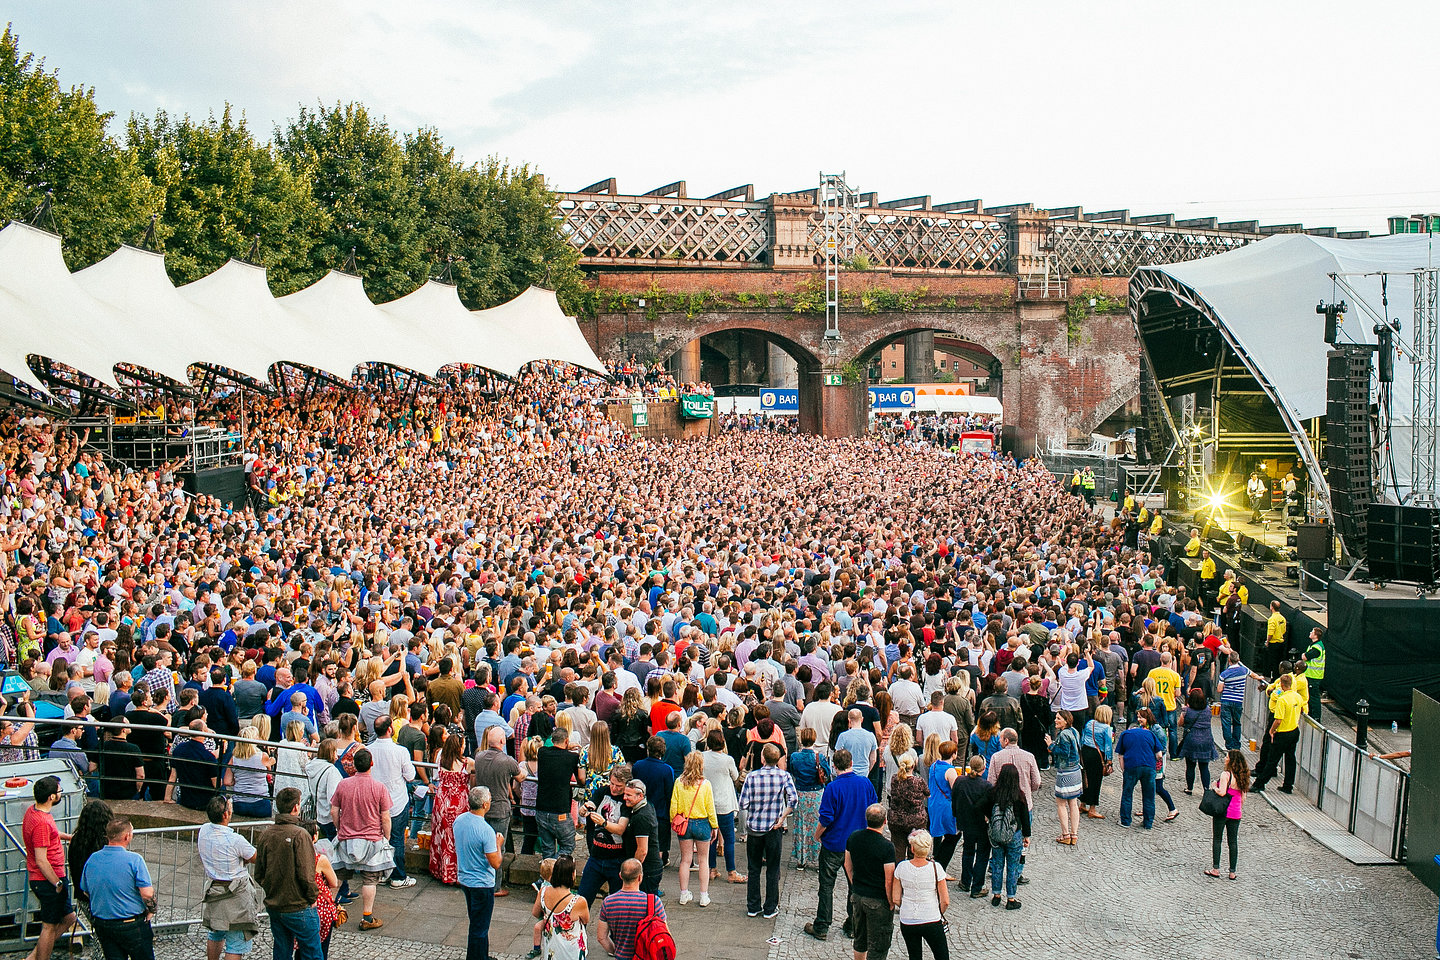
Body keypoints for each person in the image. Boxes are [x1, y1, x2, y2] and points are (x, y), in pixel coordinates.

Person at [804, 747, 873, 941]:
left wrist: (816, 836)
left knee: (826, 885)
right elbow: (874, 810)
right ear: (852, 764)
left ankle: (822, 925)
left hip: (834, 844)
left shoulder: (833, 788)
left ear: (834, 767)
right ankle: (853, 924)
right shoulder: (865, 783)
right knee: (855, 885)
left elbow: (826, 819)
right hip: (858, 844)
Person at [254, 787, 323, 960]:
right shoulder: (300, 835)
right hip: (298, 905)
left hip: (275, 904)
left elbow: (259, 873)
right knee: (312, 953)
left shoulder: (266, 834)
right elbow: (306, 875)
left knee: (281, 951)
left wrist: (272, 887)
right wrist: (312, 897)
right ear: (296, 808)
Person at [328, 747, 393, 931]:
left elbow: (334, 810)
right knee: (370, 880)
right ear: (371, 764)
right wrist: (386, 837)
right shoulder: (379, 787)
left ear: (354, 765)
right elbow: (385, 817)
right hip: (372, 840)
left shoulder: (343, 785)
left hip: (346, 838)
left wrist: (340, 828)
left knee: (338, 876)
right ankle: (367, 917)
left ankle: (330, 911)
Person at [78, 817, 155, 960]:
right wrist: (151, 910)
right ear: (127, 836)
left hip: (104, 924)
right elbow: (147, 893)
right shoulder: (134, 860)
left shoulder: (93, 859)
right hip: (131, 923)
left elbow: (86, 890)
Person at [738, 742, 797, 921]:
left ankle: (753, 906)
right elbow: (793, 800)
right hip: (774, 827)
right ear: (778, 759)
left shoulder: (752, 777)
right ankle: (770, 907)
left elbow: (743, 804)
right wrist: (782, 817)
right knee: (773, 869)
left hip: (755, 828)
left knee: (753, 869)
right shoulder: (784, 776)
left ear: (763, 758)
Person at [198, 796, 261, 960]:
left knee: (216, 933)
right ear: (226, 815)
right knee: (235, 942)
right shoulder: (236, 840)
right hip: (236, 895)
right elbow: (255, 857)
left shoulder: (204, 830)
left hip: (215, 890)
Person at [22, 775, 76, 960]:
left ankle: (34, 956)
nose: (61, 793)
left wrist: (68, 837)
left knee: (69, 918)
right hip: (48, 880)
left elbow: (51, 834)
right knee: (49, 926)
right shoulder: (42, 823)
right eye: (59, 791)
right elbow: (41, 860)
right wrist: (57, 883)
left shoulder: (34, 811)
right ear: (51, 797)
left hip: (48, 878)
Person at [367, 716, 417, 889]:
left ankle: (380, 873)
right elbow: (410, 776)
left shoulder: (368, 750)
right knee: (396, 839)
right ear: (390, 729)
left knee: (378, 837)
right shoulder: (400, 751)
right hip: (396, 801)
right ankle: (397, 876)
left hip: (374, 802)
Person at [455, 786, 503, 960]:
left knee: (477, 922)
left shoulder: (459, 820)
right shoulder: (486, 831)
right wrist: (498, 844)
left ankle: (482, 955)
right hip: (482, 884)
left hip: (465, 879)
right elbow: (496, 862)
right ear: (484, 804)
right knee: (479, 928)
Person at [846, 803, 896, 960]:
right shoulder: (887, 847)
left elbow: (848, 865)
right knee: (878, 946)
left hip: (858, 895)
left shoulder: (854, 837)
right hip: (878, 900)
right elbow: (889, 880)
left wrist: (855, 885)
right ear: (885, 821)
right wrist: (891, 901)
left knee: (860, 940)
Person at [890, 829, 948, 960]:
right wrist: (938, 913)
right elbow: (945, 901)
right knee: (942, 955)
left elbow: (896, 898)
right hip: (931, 918)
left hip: (908, 919)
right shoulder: (936, 868)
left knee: (914, 956)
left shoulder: (901, 867)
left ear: (912, 849)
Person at [577, 765, 631, 903]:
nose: (614, 788)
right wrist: (584, 809)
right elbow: (592, 804)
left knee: (616, 905)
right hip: (596, 856)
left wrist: (604, 823)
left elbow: (620, 829)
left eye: (619, 786)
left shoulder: (626, 801)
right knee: (582, 899)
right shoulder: (602, 792)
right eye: (612, 783)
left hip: (617, 860)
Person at [670, 751, 717, 906]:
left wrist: (674, 822)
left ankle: (684, 894)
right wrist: (714, 825)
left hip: (685, 822)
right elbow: (710, 808)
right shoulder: (706, 784)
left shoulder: (678, 782)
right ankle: (704, 896)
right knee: (704, 861)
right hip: (703, 823)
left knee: (685, 860)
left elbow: (673, 806)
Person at [429, 732, 475, 885]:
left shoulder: (442, 760)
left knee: (442, 836)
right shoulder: (467, 763)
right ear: (458, 747)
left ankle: (441, 870)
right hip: (458, 803)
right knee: (457, 839)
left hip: (442, 801)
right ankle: (456, 874)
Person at [596, 859, 664, 960]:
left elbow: (601, 937)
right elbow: (664, 932)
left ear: (620, 876)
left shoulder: (608, 902)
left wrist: (615, 951)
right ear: (640, 877)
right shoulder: (654, 902)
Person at [701, 729, 744, 883]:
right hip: (725, 803)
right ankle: (731, 872)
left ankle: (712, 869)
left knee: (710, 838)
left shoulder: (702, 757)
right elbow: (735, 777)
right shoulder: (727, 759)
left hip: (707, 803)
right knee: (729, 839)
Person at [987, 764, 1030, 910]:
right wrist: (1027, 835)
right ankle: (1011, 898)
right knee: (1012, 866)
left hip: (997, 835)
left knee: (997, 865)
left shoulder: (993, 793)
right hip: (1014, 834)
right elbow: (1025, 818)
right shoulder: (1019, 795)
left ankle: (996, 895)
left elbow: (980, 806)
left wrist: (989, 819)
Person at [949, 756, 993, 899]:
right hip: (981, 825)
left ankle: (965, 881)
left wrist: (957, 816)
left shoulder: (960, 781)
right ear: (983, 769)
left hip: (966, 823)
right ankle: (977, 887)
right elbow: (989, 807)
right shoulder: (986, 786)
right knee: (982, 855)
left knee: (968, 851)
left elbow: (954, 800)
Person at [535, 728, 582, 859]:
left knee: (547, 848)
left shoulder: (542, 752)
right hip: (560, 809)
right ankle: (556, 869)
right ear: (567, 741)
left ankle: (547, 875)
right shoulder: (572, 757)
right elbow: (580, 779)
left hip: (541, 808)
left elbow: (549, 748)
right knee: (568, 844)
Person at [1253, 673, 1303, 794]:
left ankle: (1259, 784)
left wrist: (1271, 731)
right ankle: (1288, 785)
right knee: (1290, 759)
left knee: (1272, 759)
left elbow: (1278, 720)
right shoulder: (1297, 697)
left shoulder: (1282, 699)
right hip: (1294, 730)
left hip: (1283, 733)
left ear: (1281, 684)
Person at [1205, 749, 1250, 881]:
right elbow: (1243, 798)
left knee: (1217, 839)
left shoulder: (1226, 775)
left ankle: (1216, 869)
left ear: (1231, 760)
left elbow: (1222, 792)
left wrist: (1214, 786)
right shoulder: (1243, 776)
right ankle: (1232, 872)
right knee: (1233, 842)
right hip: (1236, 813)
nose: (1225, 759)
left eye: (1227, 757)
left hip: (1222, 811)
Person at [535, 855, 589, 960]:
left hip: (552, 948)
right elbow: (586, 920)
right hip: (571, 951)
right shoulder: (578, 901)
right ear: (572, 875)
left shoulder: (543, 891)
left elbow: (535, 913)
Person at [1117, 708, 1162, 829]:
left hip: (1131, 766)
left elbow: (1120, 756)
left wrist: (1124, 770)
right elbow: (1159, 755)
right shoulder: (1150, 734)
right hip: (1149, 767)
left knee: (1127, 793)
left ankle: (1125, 821)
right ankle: (1148, 823)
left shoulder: (1125, 734)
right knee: (1149, 796)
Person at [1046, 710, 1083, 845]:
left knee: (1061, 803)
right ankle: (1074, 834)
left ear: (1065, 721)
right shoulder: (1074, 731)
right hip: (1076, 770)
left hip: (1065, 772)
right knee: (1073, 803)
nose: (1056, 720)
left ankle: (1066, 834)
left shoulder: (1064, 735)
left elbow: (1064, 753)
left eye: (1058, 718)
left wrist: (1050, 745)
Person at [885, 753, 928, 863]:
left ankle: (897, 875)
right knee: (914, 851)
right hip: (916, 820)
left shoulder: (894, 779)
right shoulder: (919, 781)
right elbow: (927, 793)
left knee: (898, 850)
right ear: (913, 766)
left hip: (896, 820)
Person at [226, 725, 274, 818]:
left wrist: (240, 780)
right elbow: (269, 773)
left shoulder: (234, 758)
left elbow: (227, 781)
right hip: (260, 803)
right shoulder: (263, 756)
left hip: (239, 804)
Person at [1178, 688, 1220, 793]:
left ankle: (1189, 788)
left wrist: (1183, 712)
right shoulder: (1207, 710)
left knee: (1190, 766)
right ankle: (1206, 789)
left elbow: (1180, 723)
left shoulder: (1187, 711)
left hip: (1191, 739)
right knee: (1204, 766)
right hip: (1206, 739)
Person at [924, 740, 959, 866]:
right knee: (952, 835)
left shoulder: (933, 766)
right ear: (954, 754)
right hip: (946, 805)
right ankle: (940, 863)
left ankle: (935, 858)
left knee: (938, 832)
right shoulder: (950, 771)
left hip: (934, 803)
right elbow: (955, 790)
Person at [1077, 705, 1114, 820]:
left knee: (1085, 778)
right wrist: (1109, 760)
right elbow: (1108, 746)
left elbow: (1082, 738)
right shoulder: (1107, 728)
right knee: (1096, 781)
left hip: (1086, 751)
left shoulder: (1090, 723)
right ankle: (1092, 808)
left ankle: (1082, 804)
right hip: (1097, 755)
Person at [1302, 627, 1326, 718]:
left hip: (1314, 676)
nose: (1310, 632)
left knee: (1314, 698)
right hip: (1311, 675)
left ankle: (1315, 717)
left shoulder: (1316, 648)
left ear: (1315, 635)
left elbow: (1305, 657)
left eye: (1312, 632)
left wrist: (1304, 655)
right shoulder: (1314, 645)